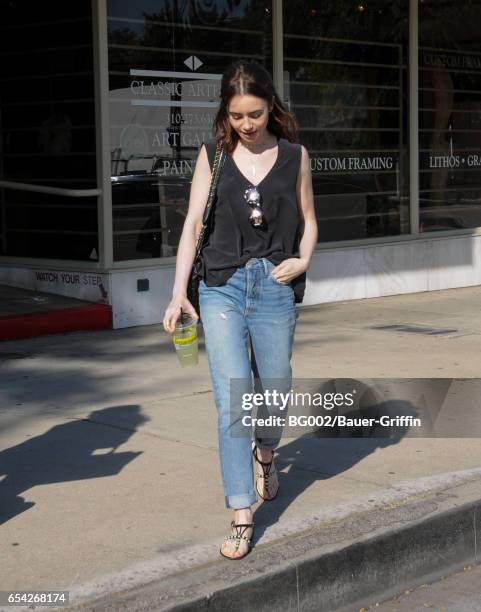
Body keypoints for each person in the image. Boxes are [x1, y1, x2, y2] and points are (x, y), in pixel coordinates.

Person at [163, 60, 317, 559]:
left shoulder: (295, 155)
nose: (246, 125)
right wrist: (177, 292)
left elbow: (310, 220)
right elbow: (191, 224)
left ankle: (266, 451)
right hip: (222, 284)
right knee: (233, 398)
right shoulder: (215, 154)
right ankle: (240, 512)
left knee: (273, 387)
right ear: (225, 115)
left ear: (271, 107)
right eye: (236, 116)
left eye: (253, 114)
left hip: (274, 285)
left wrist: (302, 259)